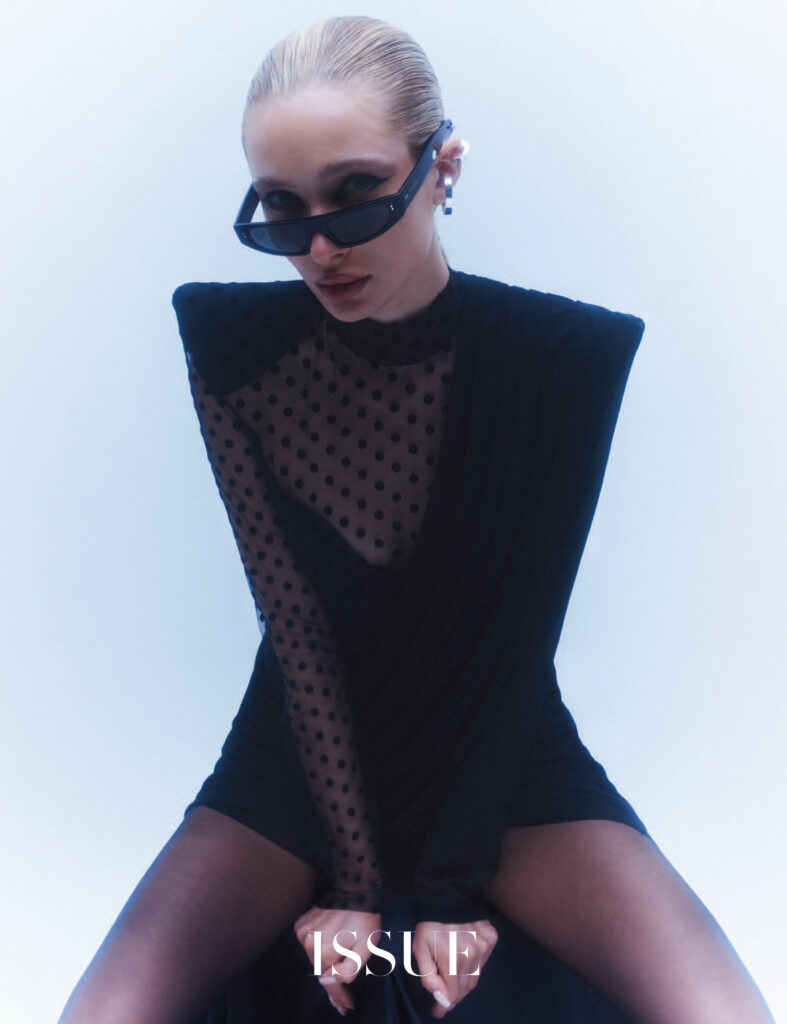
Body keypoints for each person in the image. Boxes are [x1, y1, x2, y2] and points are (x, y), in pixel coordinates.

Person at [58, 14, 775, 1024]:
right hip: (292, 767)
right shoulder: (233, 344)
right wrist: (354, 881)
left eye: (354, 194)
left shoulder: (559, 359)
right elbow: (296, 630)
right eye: (280, 209)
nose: (317, 246)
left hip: (506, 765)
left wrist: (447, 889)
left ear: (443, 166)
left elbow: (513, 646)